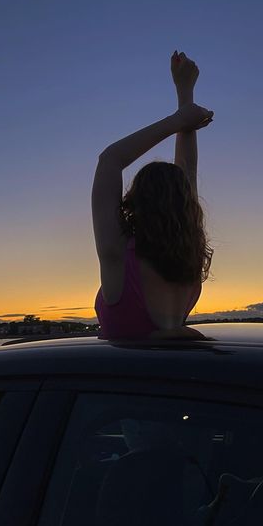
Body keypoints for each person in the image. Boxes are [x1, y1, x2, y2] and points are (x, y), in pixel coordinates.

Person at [92, 51, 214, 340]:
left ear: (135, 202)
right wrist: (185, 96)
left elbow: (110, 159)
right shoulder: (189, 263)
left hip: (120, 384)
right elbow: (188, 171)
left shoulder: (118, 256)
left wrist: (178, 119)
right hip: (169, 381)